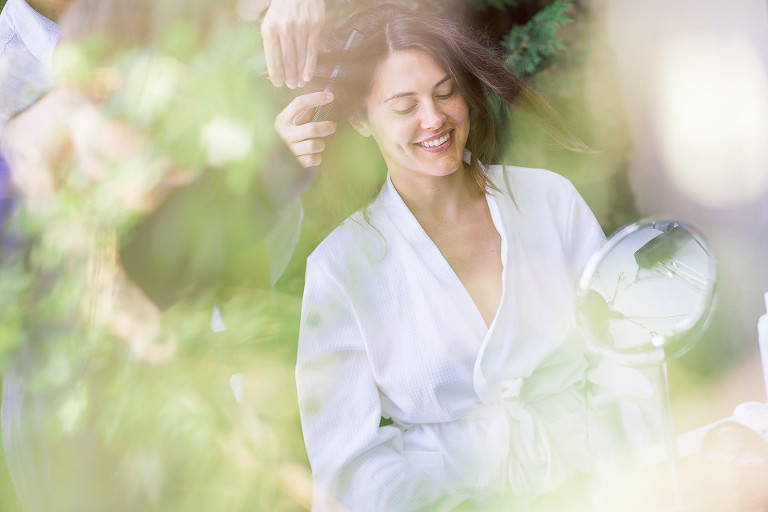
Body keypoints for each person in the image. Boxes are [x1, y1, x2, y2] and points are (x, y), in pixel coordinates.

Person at [276, 4, 629, 511]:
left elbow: (623, 355)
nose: (433, 119)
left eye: (446, 94)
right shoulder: (340, 267)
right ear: (359, 119)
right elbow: (347, 459)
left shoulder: (550, 200)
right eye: (404, 107)